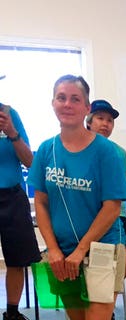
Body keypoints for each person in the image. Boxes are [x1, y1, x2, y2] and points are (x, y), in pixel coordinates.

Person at [27, 75, 126, 320]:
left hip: (102, 248)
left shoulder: (107, 152)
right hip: (62, 252)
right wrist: (53, 249)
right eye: (61, 98)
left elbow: (112, 207)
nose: (67, 104)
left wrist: (81, 250)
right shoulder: (45, 150)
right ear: (53, 103)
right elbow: (40, 202)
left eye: (75, 99)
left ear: (86, 107)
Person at [0, 74, 41, 320]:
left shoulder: (10, 114)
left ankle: (12, 313)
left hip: (13, 196)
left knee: (17, 259)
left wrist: (12, 132)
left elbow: (30, 162)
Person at [86, 99, 126, 279]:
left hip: (117, 216)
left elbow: (122, 187)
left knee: (125, 266)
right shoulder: (80, 149)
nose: (105, 124)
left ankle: (102, 302)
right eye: (100, 118)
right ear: (89, 121)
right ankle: (97, 304)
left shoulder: (120, 153)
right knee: (95, 265)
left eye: (109, 120)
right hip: (90, 215)